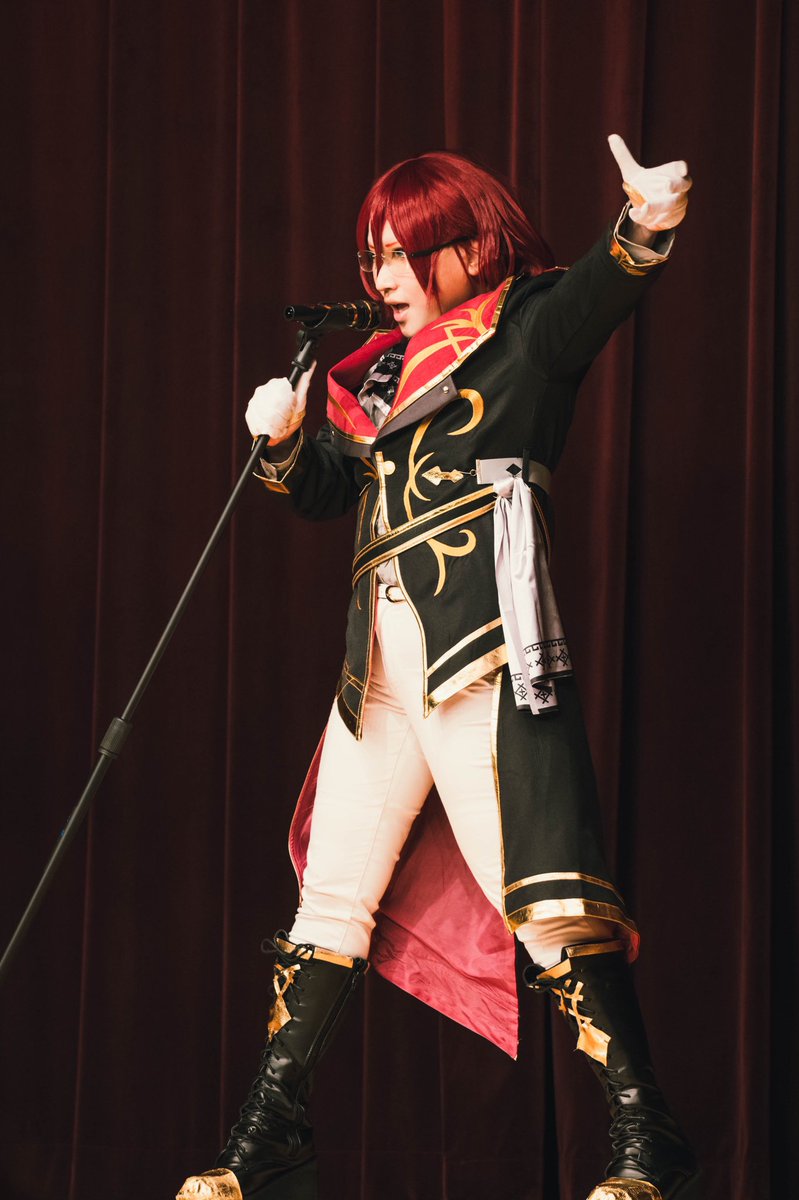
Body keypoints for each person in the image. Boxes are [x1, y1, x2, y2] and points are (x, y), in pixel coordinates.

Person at [177, 136, 697, 1200]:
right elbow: (334, 493)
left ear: (470, 247)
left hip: (479, 650)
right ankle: (267, 1140)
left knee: (546, 902)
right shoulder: (377, 371)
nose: (383, 277)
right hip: (373, 671)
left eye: (403, 253)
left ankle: (650, 1139)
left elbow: (600, 292)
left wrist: (643, 225)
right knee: (331, 898)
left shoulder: (524, 330)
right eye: (373, 255)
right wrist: (284, 442)